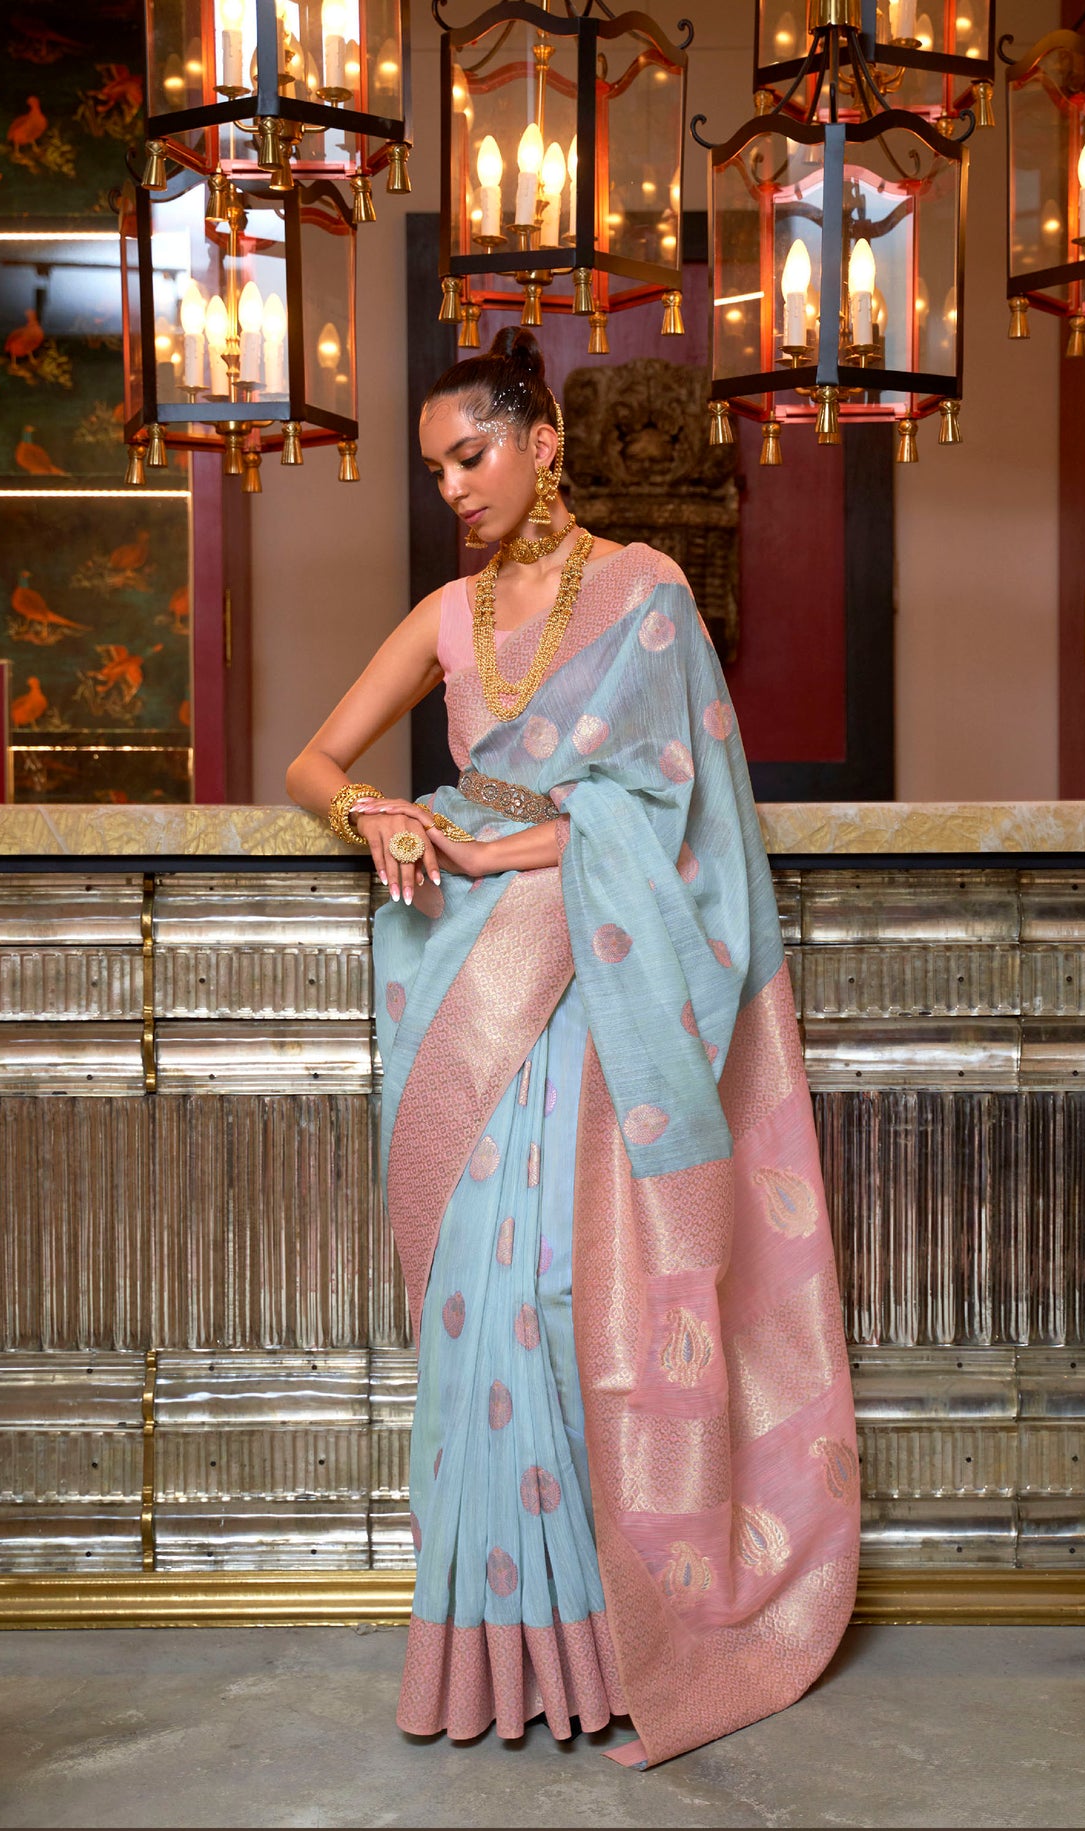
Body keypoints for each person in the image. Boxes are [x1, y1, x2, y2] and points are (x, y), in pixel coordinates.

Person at [286, 327, 859, 1768]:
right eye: (435, 470)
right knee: (475, 1305)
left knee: (567, 1295)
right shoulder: (446, 613)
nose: (454, 488)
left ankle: (609, 1648)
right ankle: (493, 1658)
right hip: (463, 978)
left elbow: (675, 812)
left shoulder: (646, 594)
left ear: (542, 444)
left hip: (600, 974)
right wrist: (372, 811)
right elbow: (313, 759)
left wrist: (505, 851)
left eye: (471, 455)